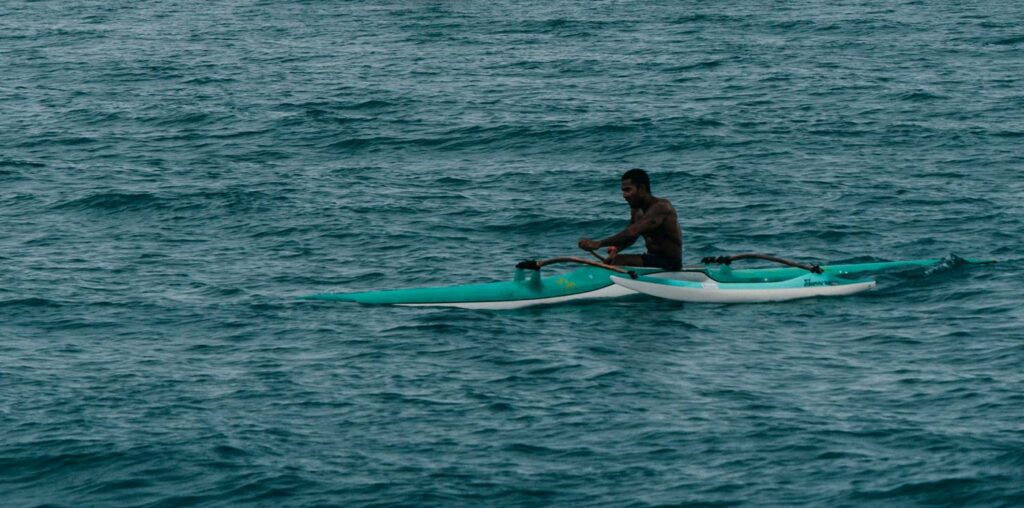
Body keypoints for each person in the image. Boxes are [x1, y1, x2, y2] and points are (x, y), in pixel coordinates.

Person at [577, 168, 682, 270]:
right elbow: (632, 237)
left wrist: (599, 243)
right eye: (623, 191)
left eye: (628, 190)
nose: (624, 195)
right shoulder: (636, 210)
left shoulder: (661, 207)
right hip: (652, 259)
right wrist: (617, 249)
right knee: (611, 261)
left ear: (641, 189)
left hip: (670, 263)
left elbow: (632, 232)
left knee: (618, 261)